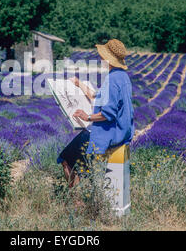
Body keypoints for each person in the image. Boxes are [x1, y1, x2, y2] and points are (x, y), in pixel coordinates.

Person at [57, 39, 134, 188]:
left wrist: (87, 117)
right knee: (79, 161)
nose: (100, 58)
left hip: (106, 134)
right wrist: (79, 84)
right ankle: (82, 194)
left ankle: (74, 199)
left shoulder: (112, 80)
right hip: (121, 132)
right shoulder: (122, 76)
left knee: (65, 159)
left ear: (107, 58)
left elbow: (108, 114)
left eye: (102, 55)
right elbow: (96, 96)